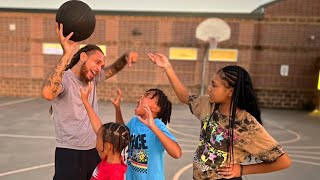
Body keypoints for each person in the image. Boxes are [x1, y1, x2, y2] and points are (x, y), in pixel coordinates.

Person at [147, 53, 291, 180]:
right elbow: (185, 97)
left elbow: (283, 161)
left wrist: (242, 170)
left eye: (214, 85)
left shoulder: (245, 124)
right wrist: (167, 68)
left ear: (230, 92)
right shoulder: (209, 105)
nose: (209, 88)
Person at [41, 23, 138, 180]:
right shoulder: (65, 79)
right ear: (83, 56)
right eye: (97, 62)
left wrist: (125, 58)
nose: (99, 68)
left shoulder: (92, 79)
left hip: (93, 150)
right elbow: (47, 93)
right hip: (70, 152)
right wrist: (66, 54)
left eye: (102, 65)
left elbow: (113, 69)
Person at [110, 88, 182, 180]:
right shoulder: (135, 121)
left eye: (147, 95)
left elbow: (177, 153)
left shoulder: (158, 126)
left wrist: (153, 127)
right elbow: (122, 133)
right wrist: (117, 108)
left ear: (156, 108)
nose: (141, 96)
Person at [80, 82, 130, 180]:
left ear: (108, 145)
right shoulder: (109, 159)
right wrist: (85, 101)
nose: (96, 144)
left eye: (98, 140)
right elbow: (101, 129)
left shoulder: (115, 174)